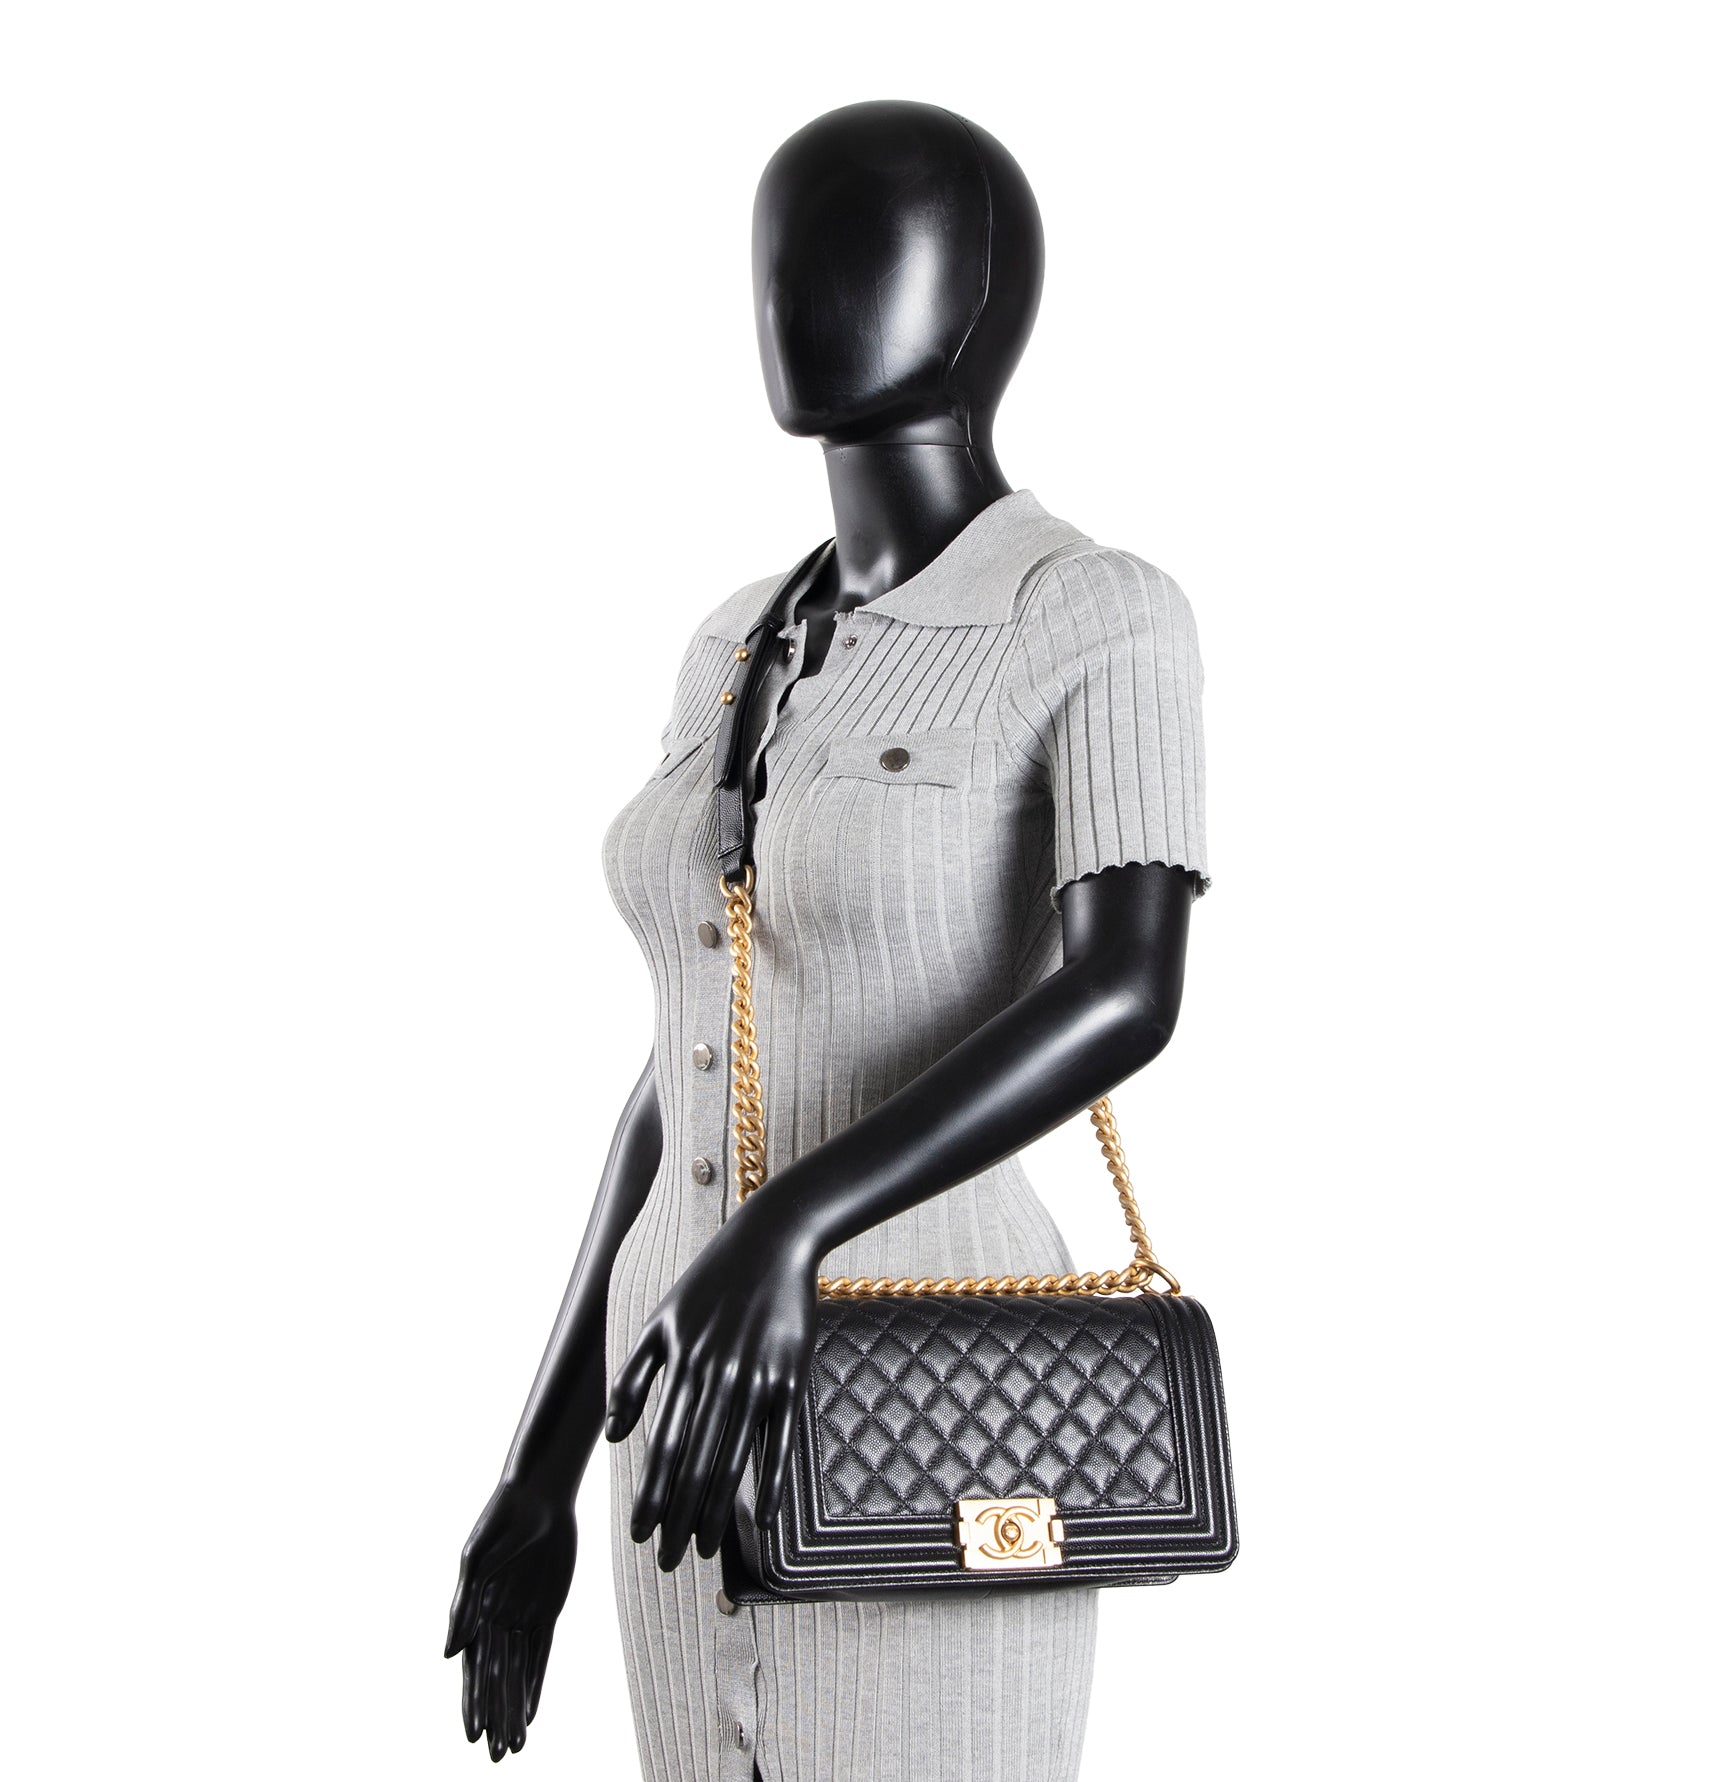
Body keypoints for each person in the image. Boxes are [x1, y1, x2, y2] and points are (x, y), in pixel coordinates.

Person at [447, 100, 1210, 1781]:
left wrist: (794, 1216)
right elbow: (679, 1062)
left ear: (981, 294)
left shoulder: (1091, 614)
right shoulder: (732, 645)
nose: (798, 289)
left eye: (857, 246)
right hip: (682, 1397)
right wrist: (538, 1463)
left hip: (928, 1375)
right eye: (778, 251)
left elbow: (1126, 987)